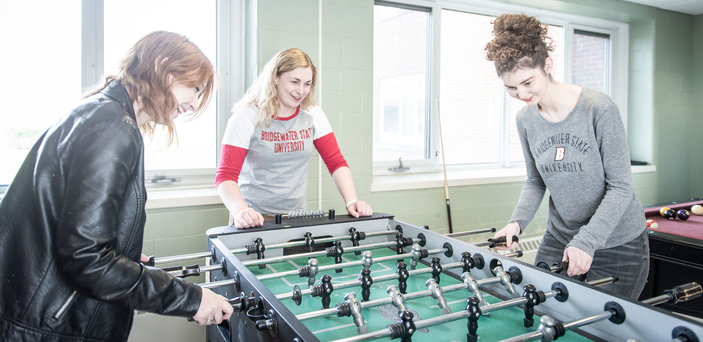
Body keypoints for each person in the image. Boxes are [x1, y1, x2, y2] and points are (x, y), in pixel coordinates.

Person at [0, 31, 233, 341]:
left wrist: (123, 254)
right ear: (163, 67)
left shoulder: (99, 114)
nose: (193, 104)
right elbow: (86, 258)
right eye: (195, 88)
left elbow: (73, 229)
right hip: (43, 325)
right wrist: (192, 299)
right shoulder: (113, 129)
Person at [485, 14, 649, 299]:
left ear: (547, 66)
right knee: (540, 309)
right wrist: (516, 223)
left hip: (618, 243)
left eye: (527, 82)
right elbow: (535, 181)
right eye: (510, 87)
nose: (521, 93)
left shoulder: (598, 108)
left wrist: (587, 241)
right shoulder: (526, 120)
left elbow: (621, 187)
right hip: (559, 237)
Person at [216, 48, 372, 228]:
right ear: (275, 77)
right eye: (295, 82)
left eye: (307, 84)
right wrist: (241, 211)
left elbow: (336, 162)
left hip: (297, 219)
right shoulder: (247, 116)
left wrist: (351, 201)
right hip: (254, 219)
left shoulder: (312, 114)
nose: (301, 90)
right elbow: (225, 176)